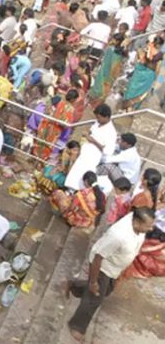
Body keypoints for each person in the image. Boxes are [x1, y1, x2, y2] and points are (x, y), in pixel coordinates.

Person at [65, 207, 155, 341]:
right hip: (103, 267)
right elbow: (98, 257)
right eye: (148, 226)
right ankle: (77, 326)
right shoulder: (118, 236)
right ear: (136, 222)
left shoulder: (137, 227)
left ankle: (74, 285)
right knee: (94, 298)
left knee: (106, 291)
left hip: (114, 268)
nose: (151, 229)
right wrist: (93, 281)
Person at [65, 104, 117, 191]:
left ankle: (78, 193)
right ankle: (69, 190)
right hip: (84, 153)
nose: (98, 120)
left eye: (99, 118)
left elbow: (108, 151)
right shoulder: (98, 123)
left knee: (83, 177)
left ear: (107, 117)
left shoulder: (111, 132)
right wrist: (88, 134)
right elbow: (92, 130)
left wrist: (93, 140)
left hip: (92, 158)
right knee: (75, 173)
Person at [33, 90, 77, 161]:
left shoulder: (59, 99)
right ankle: (40, 161)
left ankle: (35, 157)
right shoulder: (70, 109)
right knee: (48, 145)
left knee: (40, 140)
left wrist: (51, 115)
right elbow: (66, 124)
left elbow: (47, 106)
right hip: (55, 130)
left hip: (45, 123)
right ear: (73, 99)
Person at [123, 36, 163, 110]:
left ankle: (126, 105)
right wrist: (155, 78)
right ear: (159, 45)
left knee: (132, 88)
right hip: (149, 75)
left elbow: (137, 60)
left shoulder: (144, 49)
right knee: (141, 92)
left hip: (139, 72)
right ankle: (132, 108)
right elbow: (158, 67)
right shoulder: (159, 54)